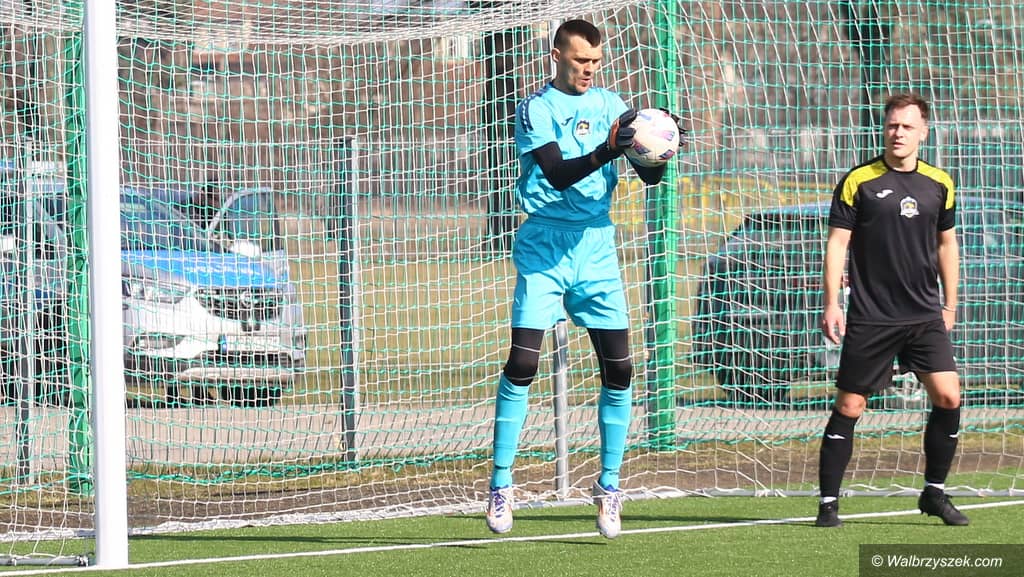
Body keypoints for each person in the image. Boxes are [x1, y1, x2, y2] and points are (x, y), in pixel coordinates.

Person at [483, 19, 685, 539]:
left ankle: (609, 486)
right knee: (523, 363)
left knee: (620, 371)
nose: (589, 69)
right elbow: (557, 173)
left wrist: (659, 148)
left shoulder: (613, 105)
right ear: (557, 56)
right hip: (545, 244)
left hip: (596, 248)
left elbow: (650, 175)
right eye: (579, 60)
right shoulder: (536, 108)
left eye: (595, 61)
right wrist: (609, 149)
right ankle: (501, 484)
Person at [815, 93, 968, 528]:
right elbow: (837, 243)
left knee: (949, 396)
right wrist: (832, 302)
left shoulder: (939, 182)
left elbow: (947, 245)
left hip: (924, 315)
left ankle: (934, 493)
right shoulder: (859, 180)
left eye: (907, 126)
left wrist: (950, 304)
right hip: (872, 316)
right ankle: (828, 504)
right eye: (892, 126)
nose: (898, 133)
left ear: (924, 132)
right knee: (850, 405)